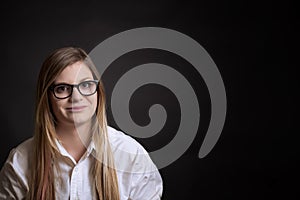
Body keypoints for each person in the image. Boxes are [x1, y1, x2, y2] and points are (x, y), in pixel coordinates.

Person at [0, 47, 163, 199]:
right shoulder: (20, 162)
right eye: (62, 88)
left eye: (85, 85)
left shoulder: (132, 156)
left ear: (98, 92)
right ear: (47, 97)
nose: (76, 97)